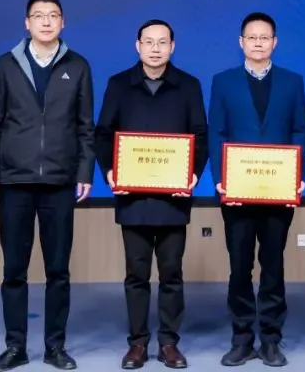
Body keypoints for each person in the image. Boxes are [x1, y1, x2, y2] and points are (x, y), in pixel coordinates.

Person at [0, 0, 97, 372]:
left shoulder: (78, 66)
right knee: (14, 269)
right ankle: (15, 347)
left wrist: (85, 172)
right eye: (39, 15)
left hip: (60, 182)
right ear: (26, 23)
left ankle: (55, 347)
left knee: (58, 270)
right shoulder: (6, 65)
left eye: (53, 15)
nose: (46, 22)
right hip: (14, 180)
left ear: (63, 22)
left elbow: (85, 127)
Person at [95, 19, 209, 370]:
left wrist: (192, 174)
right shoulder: (119, 84)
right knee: (137, 274)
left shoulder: (188, 85)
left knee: (172, 273)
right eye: (149, 41)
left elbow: (200, 135)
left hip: (174, 197)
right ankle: (138, 344)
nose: (155, 48)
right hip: (133, 198)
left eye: (162, 42)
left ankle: (169, 343)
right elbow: (103, 133)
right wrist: (110, 170)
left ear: (172, 47)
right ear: (138, 46)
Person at [208, 12, 305, 367]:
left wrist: (297, 174)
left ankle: (270, 339)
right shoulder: (223, 82)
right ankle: (241, 339)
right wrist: (220, 178)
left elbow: (299, 130)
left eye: (265, 37)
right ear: (241, 42)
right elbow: (217, 132)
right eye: (252, 37)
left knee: (273, 266)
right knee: (239, 267)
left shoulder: (292, 82)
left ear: (275, 42)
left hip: (278, 191)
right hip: (236, 191)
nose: (258, 43)